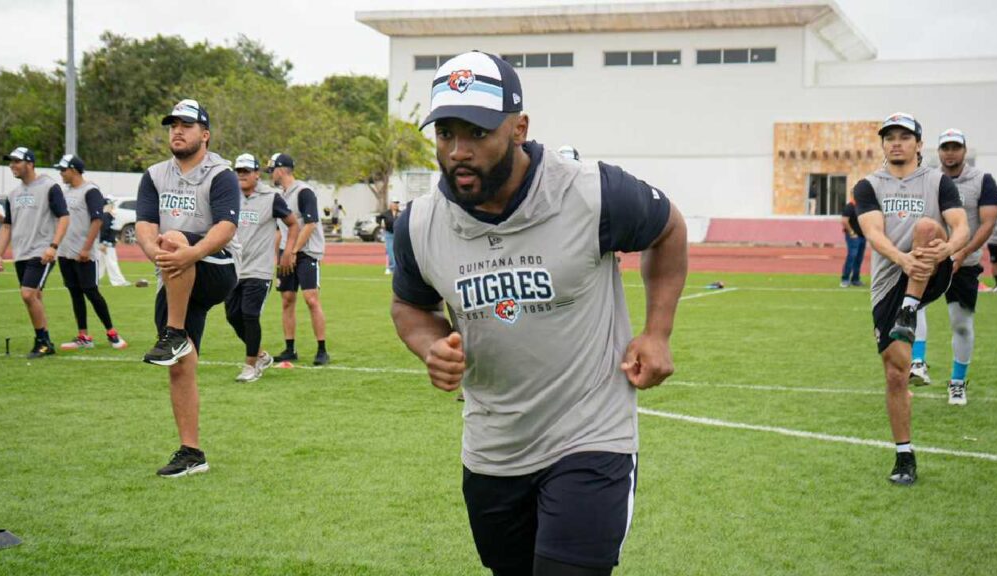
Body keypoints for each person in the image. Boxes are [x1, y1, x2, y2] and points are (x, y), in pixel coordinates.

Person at [391, 51, 688, 575]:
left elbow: (668, 229)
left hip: (590, 433)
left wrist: (657, 332)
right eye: (445, 134)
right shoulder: (419, 224)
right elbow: (410, 307)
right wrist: (430, 346)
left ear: (519, 127)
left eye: (477, 134)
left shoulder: (592, 191)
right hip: (493, 444)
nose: (458, 151)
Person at [854, 112, 968, 486]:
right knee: (895, 372)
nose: (897, 142)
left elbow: (960, 226)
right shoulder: (869, 185)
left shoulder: (937, 181)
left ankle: (910, 308)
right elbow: (873, 232)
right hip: (889, 279)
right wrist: (902, 259)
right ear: (883, 144)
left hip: (932, 269)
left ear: (919, 144)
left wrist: (946, 251)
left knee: (925, 226)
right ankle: (904, 454)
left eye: (905, 136)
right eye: (890, 137)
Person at [135, 99, 240, 477]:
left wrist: (187, 252)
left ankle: (175, 332)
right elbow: (145, 226)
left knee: (176, 237)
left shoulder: (222, 174)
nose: (177, 131)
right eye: (172, 125)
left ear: (205, 134)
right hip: (175, 273)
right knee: (180, 367)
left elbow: (226, 229)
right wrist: (157, 254)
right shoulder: (154, 175)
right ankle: (191, 452)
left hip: (217, 267)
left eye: (187, 125)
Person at [906, 129, 997, 404]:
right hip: (933, 259)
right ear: (938, 151)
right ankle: (918, 362)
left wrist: (962, 253)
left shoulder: (982, 180)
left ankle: (957, 382)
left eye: (955, 147)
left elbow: (988, 223)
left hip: (965, 263)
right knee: (914, 305)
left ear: (964, 150)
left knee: (961, 324)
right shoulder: (927, 178)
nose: (950, 152)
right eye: (945, 147)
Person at [226, 153, 299, 382]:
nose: (242, 175)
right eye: (239, 171)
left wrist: (288, 251)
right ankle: (260, 355)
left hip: (260, 269)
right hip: (234, 267)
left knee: (249, 314)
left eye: (247, 171)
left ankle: (250, 366)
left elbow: (293, 223)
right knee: (232, 315)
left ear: (257, 174)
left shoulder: (271, 197)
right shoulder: (230, 197)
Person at [0, 147, 69, 358]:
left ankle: (42, 341)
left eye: (16, 161)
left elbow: (64, 217)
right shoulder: (13, 194)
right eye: (10, 162)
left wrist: (53, 246)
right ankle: (46, 340)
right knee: (35, 295)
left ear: (30, 163)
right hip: (21, 253)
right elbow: (7, 226)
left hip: (42, 250)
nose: (12, 166)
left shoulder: (49, 186)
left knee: (27, 294)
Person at [53, 154, 128, 351]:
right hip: (65, 253)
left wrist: (86, 248)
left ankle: (112, 333)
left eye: (63, 170)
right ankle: (83, 336)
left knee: (91, 292)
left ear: (74, 170)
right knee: (75, 293)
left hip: (84, 254)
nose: (60, 174)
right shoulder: (65, 192)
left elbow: (98, 220)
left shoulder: (90, 190)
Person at [266, 152, 329, 366]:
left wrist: (293, 251)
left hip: (306, 252)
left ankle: (322, 349)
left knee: (311, 299)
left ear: (281, 169)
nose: (270, 174)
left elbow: (310, 224)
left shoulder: (304, 192)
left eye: (272, 170)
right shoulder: (279, 197)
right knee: (287, 300)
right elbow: (278, 229)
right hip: (287, 253)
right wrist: (277, 256)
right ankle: (290, 349)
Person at [97, 199, 132, 287]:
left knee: (101, 264)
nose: (113, 206)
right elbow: (104, 230)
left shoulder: (107, 216)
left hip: (105, 244)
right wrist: (104, 243)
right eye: (111, 204)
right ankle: (118, 281)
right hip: (107, 245)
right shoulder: (106, 216)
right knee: (111, 262)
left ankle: (93, 281)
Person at [840, 197, 866, 287]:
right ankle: (845, 279)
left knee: (859, 258)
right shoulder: (850, 206)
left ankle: (855, 279)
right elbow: (844, 221)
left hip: (862, 236)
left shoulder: (862, 206)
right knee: (852, 257)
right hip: (853, 236)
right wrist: (851, 232)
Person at [379, 198, 400, 275]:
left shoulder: (400, 213)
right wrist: (381, 224)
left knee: (398, 251)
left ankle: (397, 268)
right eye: (394, 203)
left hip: (398, 234)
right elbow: (378, 219)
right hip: (389, 233)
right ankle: (391, 268)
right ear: (391, 204)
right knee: (390, 251)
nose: (396, 205)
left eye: (397, 203)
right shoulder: (386, 213)